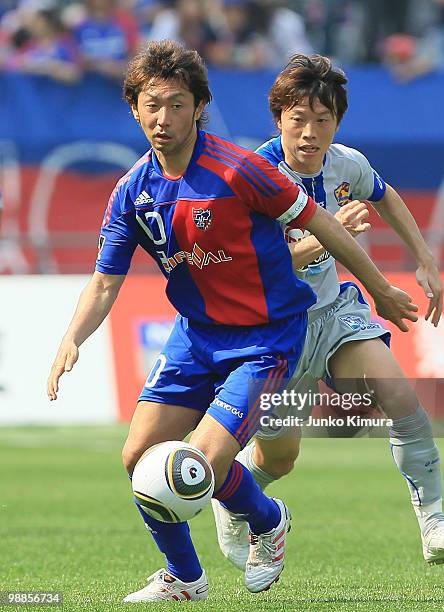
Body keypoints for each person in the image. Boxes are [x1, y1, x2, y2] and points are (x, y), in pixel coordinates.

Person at [46, 40, 417, 603]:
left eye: (176, 104)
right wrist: (71, 339)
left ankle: (265, 520)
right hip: (196, 339)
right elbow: (104, 282)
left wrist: (381, 288)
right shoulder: (132, 191)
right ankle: (188, 577)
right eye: (152, 105)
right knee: (135, 459)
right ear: (134, 110)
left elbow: (322, 223)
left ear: (199, 107)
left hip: (266, 339)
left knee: (201, 463)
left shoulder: (240, 170)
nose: (163, 118)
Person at [212, 53, 444, 571]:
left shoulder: (347, 163)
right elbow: (255, 267)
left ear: (337, 122)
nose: (310, 132)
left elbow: (387, 197)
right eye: (299, 119)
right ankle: (235, 500)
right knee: (280, 458)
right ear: (279, 119)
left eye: (323, 120)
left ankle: (434, 526)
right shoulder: (253, 177)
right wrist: (328, 235)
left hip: (335, 313)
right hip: (277, 332)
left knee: (401, 397)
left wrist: (425, 260)